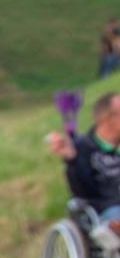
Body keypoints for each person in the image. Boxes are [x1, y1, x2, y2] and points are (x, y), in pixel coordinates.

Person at [46, 90, 120, 224]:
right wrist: (72, 159)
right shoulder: (82, 148)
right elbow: (82, 194)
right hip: (106, 210)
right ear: (106, 119)